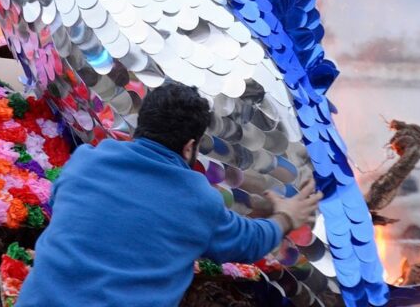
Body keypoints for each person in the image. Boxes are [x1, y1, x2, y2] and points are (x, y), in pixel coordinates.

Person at [16, 83, 322, 307]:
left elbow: (60, 205)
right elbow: (246, 241)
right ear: (190, 146)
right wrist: (285, 217)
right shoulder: (195, 200)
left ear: (142, 124)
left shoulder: (85, 161)